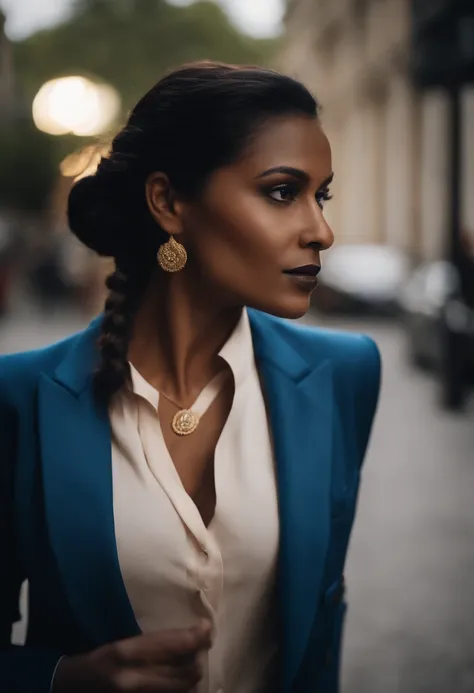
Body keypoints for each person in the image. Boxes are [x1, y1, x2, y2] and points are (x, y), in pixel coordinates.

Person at [0, 61, 381, 693]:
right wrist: (63, 679)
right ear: (169, 203)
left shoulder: (345, 376)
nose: (322, 231)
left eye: (323, 195)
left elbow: (318, 631)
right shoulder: (21, 400)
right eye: (284, 192)